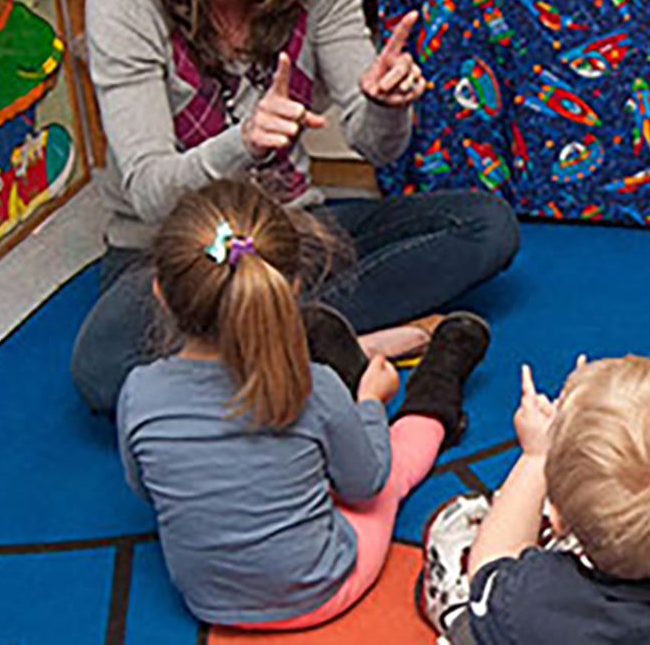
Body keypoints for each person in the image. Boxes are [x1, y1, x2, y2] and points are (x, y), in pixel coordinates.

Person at [71, 0, 518, 413]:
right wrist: (244, 143)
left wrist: (384, 103)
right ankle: (331, 342)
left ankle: (264, 341)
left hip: (291, 232)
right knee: (103, 369)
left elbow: (375, 142)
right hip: (174, 254)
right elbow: (150, 193)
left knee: (486, 225)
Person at [116, 179, 488, 629]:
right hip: (321, 590)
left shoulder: (138, 391)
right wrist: (371, 404)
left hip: (207, 600)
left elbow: (144, 488)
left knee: (303, 463)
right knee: (391, 474)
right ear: (289, 287)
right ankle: (439, 379)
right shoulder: (311, 386)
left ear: (161, 292)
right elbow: (368, 481)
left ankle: (359, 362)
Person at [438, 357, 650, 644]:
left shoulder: (539, 601)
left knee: (468, 616)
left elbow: (490, 564)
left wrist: (536, 458)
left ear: (558, 518)